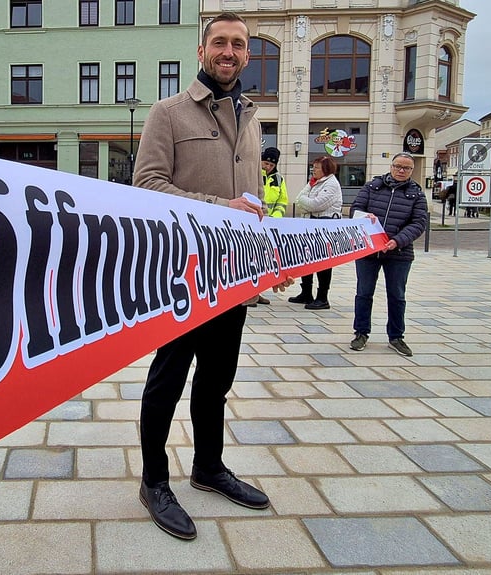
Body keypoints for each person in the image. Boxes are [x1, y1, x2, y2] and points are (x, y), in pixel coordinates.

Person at [132, 11, 291, 541]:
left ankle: (208, 468)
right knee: (166, 383)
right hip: (180, 278)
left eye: (239, 45)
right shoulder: (168, 113)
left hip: (234, 280)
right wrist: (217, 207)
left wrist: (271, 260)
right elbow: (149, 187)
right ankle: (154, 480)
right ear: (201, 52)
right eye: (219, 42)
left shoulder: (251, 118)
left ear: (248, 56)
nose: (229, 51)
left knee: (216, 383)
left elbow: (251, 209)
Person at [348, 152, 429, 357]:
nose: (401, 170)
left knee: (397, 295)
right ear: (391, 166)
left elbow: (419, 223)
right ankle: (361, 333)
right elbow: (356, 209)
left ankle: (396, 336)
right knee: (364, 293)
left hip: (399, 252)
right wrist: (366, 217)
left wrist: (397, 240)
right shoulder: (372, 186)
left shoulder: (416, 194)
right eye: (398, 166)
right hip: (369, 250)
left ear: (412, 171)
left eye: (406, 168)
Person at [287, 156, 343, 310]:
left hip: (325, 226)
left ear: (326, 169)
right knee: (307, 259)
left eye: (317, 167)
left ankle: (322, 297)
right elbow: (298, 199)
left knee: (323, 262)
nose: (314, 170)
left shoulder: (331, 184)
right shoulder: (313, 182)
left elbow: (315, 204)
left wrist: (306, 205)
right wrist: (307, 205)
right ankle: (306, 292)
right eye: (314, 167)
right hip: (310, 225)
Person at [253, 146, 288, 304]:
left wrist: (276, 217)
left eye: (271, 165)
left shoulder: (279, 179)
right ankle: (249, 293)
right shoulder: (253, 173)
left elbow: (282, 201)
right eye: (265, 163)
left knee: (263, 260)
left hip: (269, 223)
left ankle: (257, 291)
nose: (267, 167)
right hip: (252, 222)